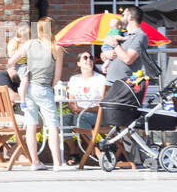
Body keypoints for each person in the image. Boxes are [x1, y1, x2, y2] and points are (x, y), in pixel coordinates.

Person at [6, 16, 65, 171]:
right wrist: (48, 87)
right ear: (53, 29)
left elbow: (11, 61)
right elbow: (57, 77)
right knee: (52, 126)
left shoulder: (30, 44)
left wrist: (21, 72)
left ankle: (35, 162)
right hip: (43, 88)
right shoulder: (56, 48)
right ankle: (58, 164)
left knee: (31, 125)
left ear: (38, 29)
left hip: (28, 89)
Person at [100, 6, 155, 125]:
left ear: (130, 17)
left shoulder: (140, 36)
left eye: (124, 15)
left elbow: (128, 59)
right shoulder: (123, 35)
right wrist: (105, 54)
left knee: (124, 122)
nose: (121, 18)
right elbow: (107, 55)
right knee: (112, 122)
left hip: (124, 84)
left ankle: (132, 144)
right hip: (111, 82)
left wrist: (115, 45)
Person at [64, 50, 108, 131]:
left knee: (80, 118)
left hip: (97, 115)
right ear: (78, 63)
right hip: (79, 113)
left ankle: (91, 143)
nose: (89, 60)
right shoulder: (74, 79)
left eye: (91, 58)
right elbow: (71, 101)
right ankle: (74, 144)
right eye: (85, 58)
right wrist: (74, 108)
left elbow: (103, 104)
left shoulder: (100, 78)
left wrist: (82, 110)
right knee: (62, 120)